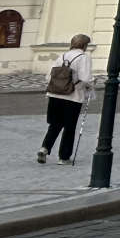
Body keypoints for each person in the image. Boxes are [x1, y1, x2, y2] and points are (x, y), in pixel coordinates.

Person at [38, 33, 94, 164]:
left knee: (55, 124)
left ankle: (44, 148)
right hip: (72, 97)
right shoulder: (83, 58)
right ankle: (64, 157)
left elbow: (49, 77)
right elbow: (85, 78)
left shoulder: (62, 56)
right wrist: (87, 86)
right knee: (69, 127)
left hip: (55, 95)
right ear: (84, 45)